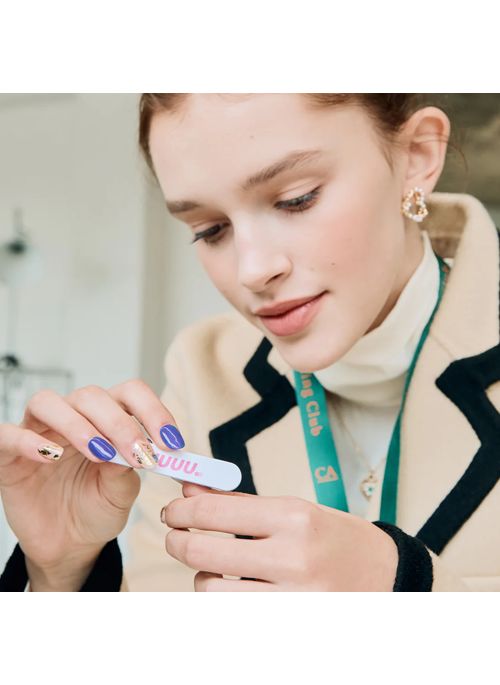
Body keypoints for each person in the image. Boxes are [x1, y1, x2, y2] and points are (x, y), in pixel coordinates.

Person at [1, 93, 499, 592]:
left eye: (296, 199)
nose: (253, 270)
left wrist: (410, 589)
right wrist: (64, 571)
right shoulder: (203, 370)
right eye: (210, 230)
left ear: (417, 156)